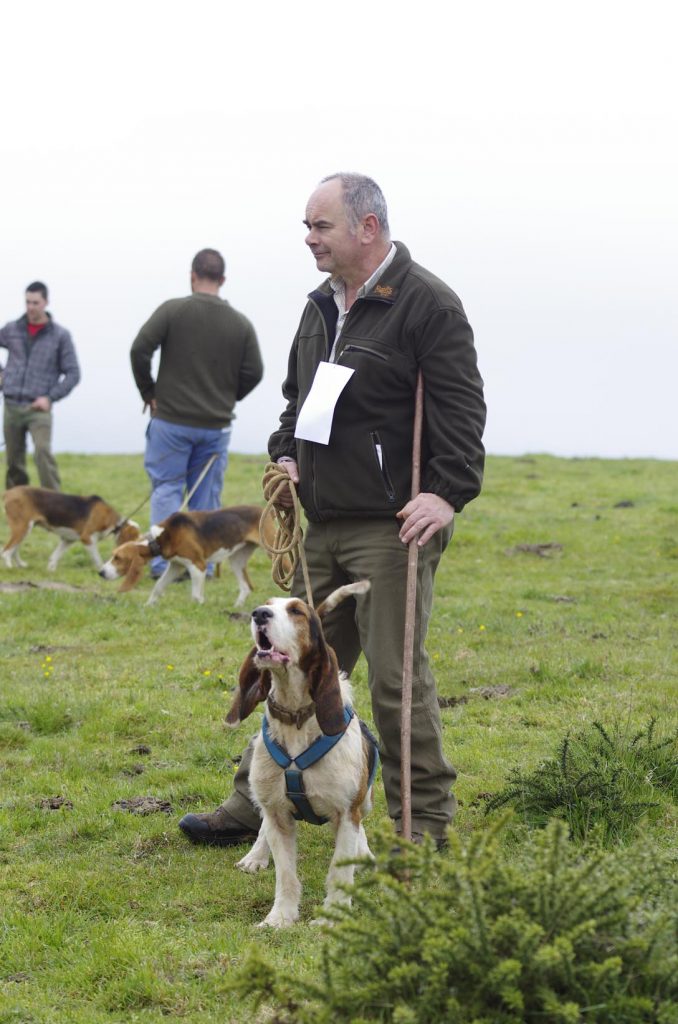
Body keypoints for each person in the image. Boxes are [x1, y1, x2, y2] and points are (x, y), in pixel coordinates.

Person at [179, 174, 486, 849]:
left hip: (393, 525)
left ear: (367, 227)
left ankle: (424, 823)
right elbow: (297, 401)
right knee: (285, 664)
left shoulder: (427, 303)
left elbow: (463, 409)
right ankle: (254, 802)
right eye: (307, 227)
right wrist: (286, 456)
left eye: (321, 226)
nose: (310, 239)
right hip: (322, 522)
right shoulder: (319, 306)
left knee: (394, 679)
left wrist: (447, 489)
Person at [130, 248, 264, 577]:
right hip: (215, 426)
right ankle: (199, 566)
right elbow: (255, 372)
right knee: (205, 503)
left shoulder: (173, 310)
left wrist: (149, 392)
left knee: (167, 491)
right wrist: (227, 397)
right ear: (223, 279)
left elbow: (139, 349)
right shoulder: (241, 323)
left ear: (192, 276)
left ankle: (162, 563)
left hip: (171, 422)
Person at [0, 281, 80, 491]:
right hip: (11, 406)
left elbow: (73, 373)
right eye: (27, 302)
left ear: (46, 302)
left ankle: (56, 508)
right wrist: (2, 376)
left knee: (42, 454)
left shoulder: (60, 336)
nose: (31, 307)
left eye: (35, 302)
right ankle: (17, 511)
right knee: (14, 462)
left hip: (38, 409)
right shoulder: (11, 329)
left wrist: (50, 398)